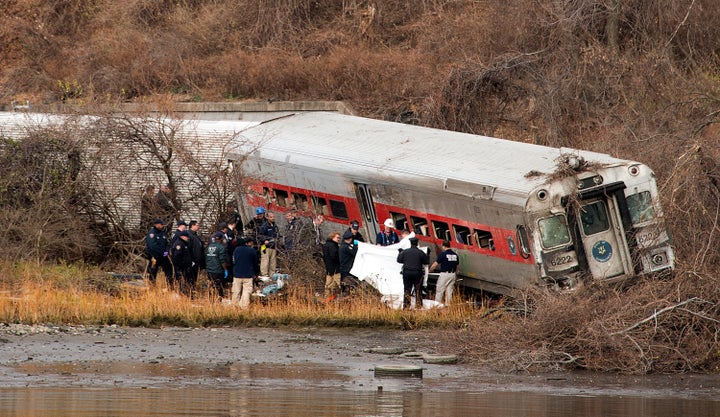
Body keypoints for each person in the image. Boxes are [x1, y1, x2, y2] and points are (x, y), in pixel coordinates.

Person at [397, 237, 429, 309]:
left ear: (410, 243)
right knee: (418, 289)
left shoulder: (405, 252)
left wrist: (402, 255)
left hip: (407, 273)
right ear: (417, 243)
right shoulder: (420, 252)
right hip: (417, 273)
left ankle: (406, 306)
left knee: (407, 289)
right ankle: (418, 306)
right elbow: (426, 261)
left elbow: (399, 260)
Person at [429, 240, 460, 306]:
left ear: (443, 246)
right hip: (453, 274)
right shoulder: (455, 255)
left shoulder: (443, 254)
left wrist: (430, 270)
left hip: (445, 274)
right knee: (449, 291)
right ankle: (448, 306)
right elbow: (457, 266)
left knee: (440, 290)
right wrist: (455, 274)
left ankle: (437, 305)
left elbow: (435, 264)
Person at [232, 237, 258, 309]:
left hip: (237, 274)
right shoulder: (251, 250)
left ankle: (235, 306)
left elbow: (233, 262)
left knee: (236, 291)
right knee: (246, 292)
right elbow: (255, 263)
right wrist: (256, 273)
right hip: (248, 275)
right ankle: (245, 307)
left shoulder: (236, 250)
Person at [145, 218, 172, 284]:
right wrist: (160, 253)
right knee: (152, 272)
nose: (162, 226)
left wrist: (165, 253)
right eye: (161, 224)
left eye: (162, 224)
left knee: (169, 269)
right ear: (156, 225)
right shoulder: (152, 233)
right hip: (154, 256)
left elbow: (167, 244)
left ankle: (170, 286)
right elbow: (152, 246)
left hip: (163, 257)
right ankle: (151, 286)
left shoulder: (162, 234)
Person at [205, 231, 229, 301]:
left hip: (209, 269)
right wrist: (225, 269)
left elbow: (206, 257)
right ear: (221, 239)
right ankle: (219, 299)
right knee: (219, 286)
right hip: (218, 270)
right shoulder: (221, 247)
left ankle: (211, 298)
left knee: (211, 285)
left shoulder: (209, 246)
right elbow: (222, 260)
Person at [170, 230, 193, 295]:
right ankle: (181, 293)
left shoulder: (184, 244)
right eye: (187, 237)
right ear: (183, 236)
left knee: (186, 281)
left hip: (185, 267)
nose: (188, 238)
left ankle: (185, 293)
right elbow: (176, 257)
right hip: (181, 267)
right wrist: (180, 266)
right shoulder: (179, 244)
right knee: (180, 281)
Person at [258, 211, 279, 276]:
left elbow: (277, 234)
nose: (273, 218)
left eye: (273, 217)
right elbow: (259, 236)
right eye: (271, 217)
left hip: (273, 246)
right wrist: (265, 240)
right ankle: (264, 275)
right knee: (265, 261)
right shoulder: (264, 226)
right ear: (267, 217)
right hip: (265, 246)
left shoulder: (275, 226)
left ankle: (272, 274)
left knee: (273, 262)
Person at [322, 232, 342, 298]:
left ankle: (326, 298)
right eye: (337, 237)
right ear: (332, 237)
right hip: (335, 269)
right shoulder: (333, 246)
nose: (339, 239)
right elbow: (334, 256)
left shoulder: (325, 245)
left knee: (328, 285)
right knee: (338, 285)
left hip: (328, 269)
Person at [187, 220, 205, 290]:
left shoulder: (195, 235)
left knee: (195, 278)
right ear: (192, 226)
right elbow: (189, 249)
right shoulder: (189, 235)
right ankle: (189, 291)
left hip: (197, 261)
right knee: (191, 278)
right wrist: (191, 260)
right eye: (197, 225)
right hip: (192, 261)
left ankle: (193, 290)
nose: (198, 226)